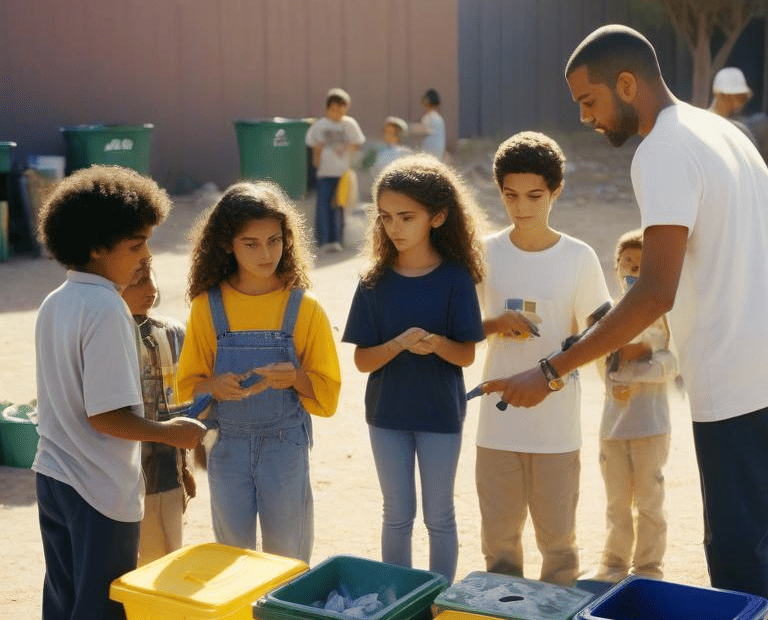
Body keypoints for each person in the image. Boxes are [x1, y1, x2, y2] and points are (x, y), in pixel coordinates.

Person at [485, 25, 768, 620]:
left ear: (626, 84)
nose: (584, 118)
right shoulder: (723, 130)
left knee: (738, 550)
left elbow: (653, 293)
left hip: (740, 373)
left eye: (588, 102)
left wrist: (553, 368)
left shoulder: (661, 149)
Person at [32, 166, 206, 620]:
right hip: (98, 490)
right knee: (102, 614)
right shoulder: (106, 307)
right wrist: (170, 433)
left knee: (62, 601)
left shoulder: (55, 301)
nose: (147, 257)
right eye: (136, 247)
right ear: (95, 248)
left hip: (53, 476)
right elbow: (107, 416)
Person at [177, 181, 340, 562]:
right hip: (226, 447)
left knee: (289, 556)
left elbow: (328, 395)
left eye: (275, 240)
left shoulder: (306, 308)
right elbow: (188, 387)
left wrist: (296, 377)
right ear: (225, 244)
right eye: (251, 243)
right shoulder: (206, 306)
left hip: (286, 447)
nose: (266, 253)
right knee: (232, 559)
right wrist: (213, 386)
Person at [342, 154, 485, 583]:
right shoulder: (372, 281)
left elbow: (466, 356)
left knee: (439, 515)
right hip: (386, 417)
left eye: (407, 216)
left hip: (441, 415)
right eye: (385, 217)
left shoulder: (456, 279)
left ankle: (438, 602)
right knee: (397, 514)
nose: (395, 227)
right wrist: (397, 345)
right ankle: (399, 600)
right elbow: (362, 360)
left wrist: (438, 344)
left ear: (437, 217)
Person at [475, 131, 608, 586]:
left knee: (558, 547)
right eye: (510, 195)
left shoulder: (579, 257)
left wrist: (556, 371)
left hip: (556, 429)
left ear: (556, 191)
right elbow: (457, 330)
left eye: (534, 195)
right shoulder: (485, 253)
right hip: (496, 425)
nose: (521, 206)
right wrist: (495, 324)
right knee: (499, 545)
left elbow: (602, 329)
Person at [593, 229, 677, 583]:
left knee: (648, 502)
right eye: (627, 261)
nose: (633, 268)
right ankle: (613, 564)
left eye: (642, 264)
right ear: (616, 267)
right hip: (612, 428)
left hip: (651, 427)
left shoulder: (665, 317)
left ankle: (648, 568)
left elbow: (673, 364)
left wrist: (643, 361)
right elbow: (601, 367)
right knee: (616, 503)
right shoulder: (605, 315)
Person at [121, 262, 195, 566]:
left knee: (170, 554)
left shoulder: (172, 332)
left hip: (168, 473)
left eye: (150, 280)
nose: (150, 290)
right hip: (126, 476)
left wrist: (185, 468)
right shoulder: (109, 334)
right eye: (137, 283)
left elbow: (179, 407)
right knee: (140, 559)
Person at [305, 87, 366, 252]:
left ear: (346, 108)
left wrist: (347, 149)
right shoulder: (320, 126)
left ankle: (337, 240)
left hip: (343, 174)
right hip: (324, 173)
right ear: (327, 109)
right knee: (323, 207)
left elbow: (357, 142)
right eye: (333, 109)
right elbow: (311, 144)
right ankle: (324, 241)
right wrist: (317, 159)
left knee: (339, 207)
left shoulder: (349, 124)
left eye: (341, 109)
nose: (337, 112)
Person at [708, 66, 757, 145]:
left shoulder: (740, 130)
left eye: (743, 97)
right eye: (737, 96)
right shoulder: (704, 125)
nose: (740, 102)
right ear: (720, 95)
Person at [411, 89, 446, 159]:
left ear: (428, 101)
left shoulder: (431, 117)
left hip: (430, 154)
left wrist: (410, 127)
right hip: (436, 154)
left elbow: (423, 130)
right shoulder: (438, 118)